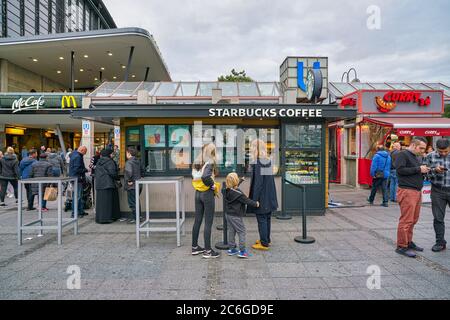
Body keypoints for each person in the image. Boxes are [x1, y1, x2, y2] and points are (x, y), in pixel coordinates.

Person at [395, 137, 430, 258]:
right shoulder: (402, 154)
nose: (422, 151)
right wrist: (418, 169)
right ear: (414, 145)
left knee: (413, 219)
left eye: (423, 149)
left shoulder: (415, 156)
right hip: (407, 191)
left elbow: (414, 171)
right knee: (406, 220)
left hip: (415, 191)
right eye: (421, 148)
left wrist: (425, 170)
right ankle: (401, 246)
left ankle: (408, 242)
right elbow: (400, 170)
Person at [248, 139, 278, 251]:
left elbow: (258, 184)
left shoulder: (258, 162)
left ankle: (264, 243)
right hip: (269, 195)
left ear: (256, 148)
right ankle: (266, 239)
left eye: (251, 147)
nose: (250, 149)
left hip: (262, 197)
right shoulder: (267, 161)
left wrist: (254, 200)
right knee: (267, 218)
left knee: (261, 218)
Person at [191, 143, 220, 259]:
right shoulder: (210, 162)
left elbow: (196, 177)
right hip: (207, 194)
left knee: (197, 220)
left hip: (197, 193)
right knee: (208, 222)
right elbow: (205, 177)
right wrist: (212, 185)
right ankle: (208, 251)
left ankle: (194, 247)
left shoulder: (198, 162)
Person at [424, 138, 450, 252]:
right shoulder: (430, 156)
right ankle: (440, 242)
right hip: (437, 190)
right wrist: (435, 170)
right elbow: (424, 174)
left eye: (446, 151)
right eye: (441, 151)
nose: (443, 154)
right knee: (438, 218)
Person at [225, 172, 259, 259]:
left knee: (231, 231)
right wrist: (256, 204)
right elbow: (246, 200)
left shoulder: (226, 189)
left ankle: (232, 249)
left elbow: (233, 186)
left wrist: (241, 181)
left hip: (228, 214)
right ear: (235, 181)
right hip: (236, 215)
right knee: (242, 231)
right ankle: (242, 251)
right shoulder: (238, 193)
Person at [94, 149, 120, 224]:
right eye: (111, 154)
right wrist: (117, 177)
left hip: (99, 184)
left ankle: (99, 218)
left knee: (100, 203)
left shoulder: (99, 161)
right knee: (107, 203)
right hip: (108, 184)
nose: (112, 155)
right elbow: (112, 173)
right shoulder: (110, 162)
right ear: (108, 154)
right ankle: (106, 219)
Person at [124, 147, 143, 224]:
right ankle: (139, 217)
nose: (126, 154)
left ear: (129, 153)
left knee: (132, 202)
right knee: (137, 201)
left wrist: (129, 180)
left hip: (132, 185)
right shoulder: (138, 161)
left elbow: (129, 172)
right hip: (139, 184)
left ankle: (136, 218)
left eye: (126, 153)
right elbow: (142, 171)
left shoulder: (129, 162)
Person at [69, 146, 88, 218]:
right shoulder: (78, 157)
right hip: (77, 178)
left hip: (75, 178)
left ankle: (80, 211)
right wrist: (85, 170)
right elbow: (77, 169)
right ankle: (75, 213)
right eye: (85, 152)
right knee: (77, 196)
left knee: (78, 196)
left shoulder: (74, 155)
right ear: (82, 150)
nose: (85, 154)